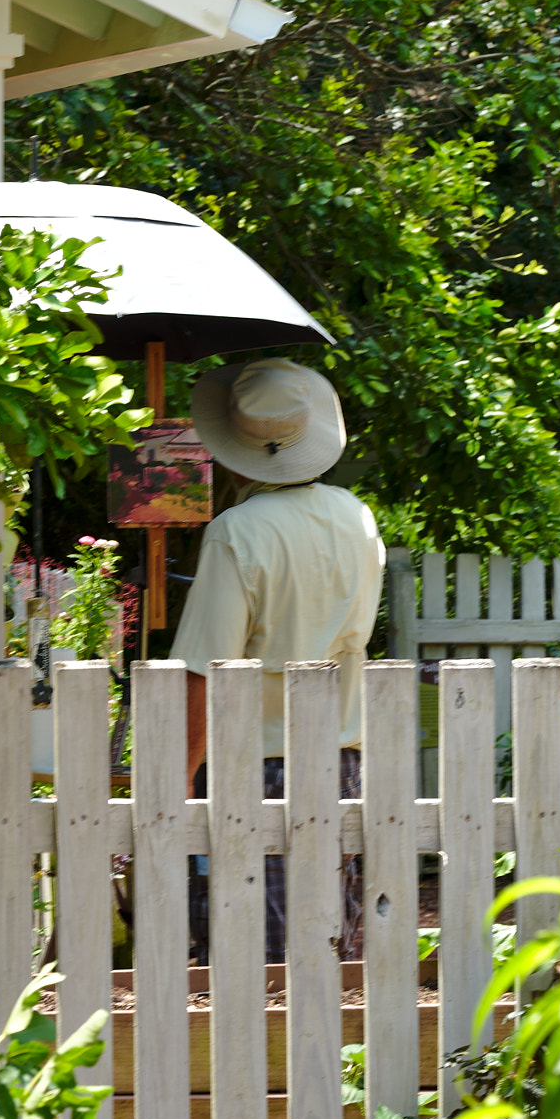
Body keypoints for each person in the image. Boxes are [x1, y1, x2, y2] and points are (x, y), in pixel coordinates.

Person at [167, 356, 384, 957]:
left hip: (252, 765)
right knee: (331, 941)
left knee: (253, 959)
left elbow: (205, 665)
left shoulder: (238, 532)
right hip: (339, 760)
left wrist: (182, 776)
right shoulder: (360, 520)